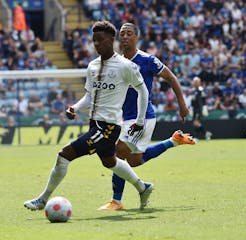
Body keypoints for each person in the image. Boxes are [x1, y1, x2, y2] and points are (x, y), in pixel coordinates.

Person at [24, 21, 154, 211]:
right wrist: (75, 108)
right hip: (95, 125)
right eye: (94, 41)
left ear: (111, 40)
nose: (97, 44)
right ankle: (143, 188)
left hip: (108, 127)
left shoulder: (126, 66)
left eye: (100, 40)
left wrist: (141, 121)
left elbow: (143, 92)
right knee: (110, 161)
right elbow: (89, 96)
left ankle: (43, 199)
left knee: (65, 154)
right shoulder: (92, 66)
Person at [97, 23, 195, 211]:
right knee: (134, 161)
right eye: (122, 34)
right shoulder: (115, 62)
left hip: (143, 117)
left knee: (117, 154)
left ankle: (117, 201)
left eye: (129, 33)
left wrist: (182, 104)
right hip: (125, 118)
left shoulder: (147, 60)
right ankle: (173, 141)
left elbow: (171, 77)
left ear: (136, 38)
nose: (125, 37)